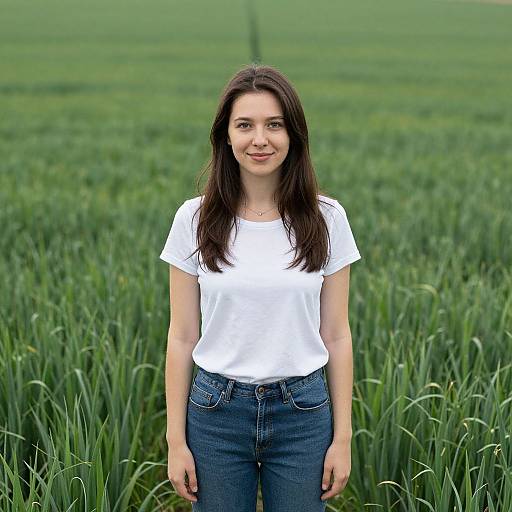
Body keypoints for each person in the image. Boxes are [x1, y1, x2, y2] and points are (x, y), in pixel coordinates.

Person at [159, 64, 362, 512]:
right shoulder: (194, 219)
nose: (260, 139)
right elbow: (181, 336)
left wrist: (342, 436)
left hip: (303, 414)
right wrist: (176, 440)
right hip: (215, 413)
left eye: (274, 125)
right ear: (225, 137)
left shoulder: (327, 218)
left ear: (294, 135)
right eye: (244, 125)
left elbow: (337, 335)